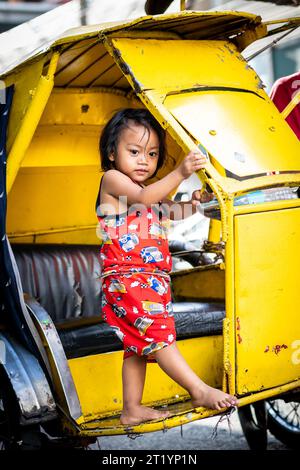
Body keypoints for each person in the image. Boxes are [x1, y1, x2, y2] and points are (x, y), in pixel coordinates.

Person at [95, 108, 238, 425]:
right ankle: (198, 389)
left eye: (152, 153)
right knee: (158, 336)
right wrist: (181, 171)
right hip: (126, 279)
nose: (143, 160)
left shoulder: (149, 189)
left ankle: (131, 408)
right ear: (112, 152)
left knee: (138, 348)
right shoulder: (113, 180)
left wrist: (195, 203)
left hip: (151, 281)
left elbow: (171, 211)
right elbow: (146, 199)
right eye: (134, 152)